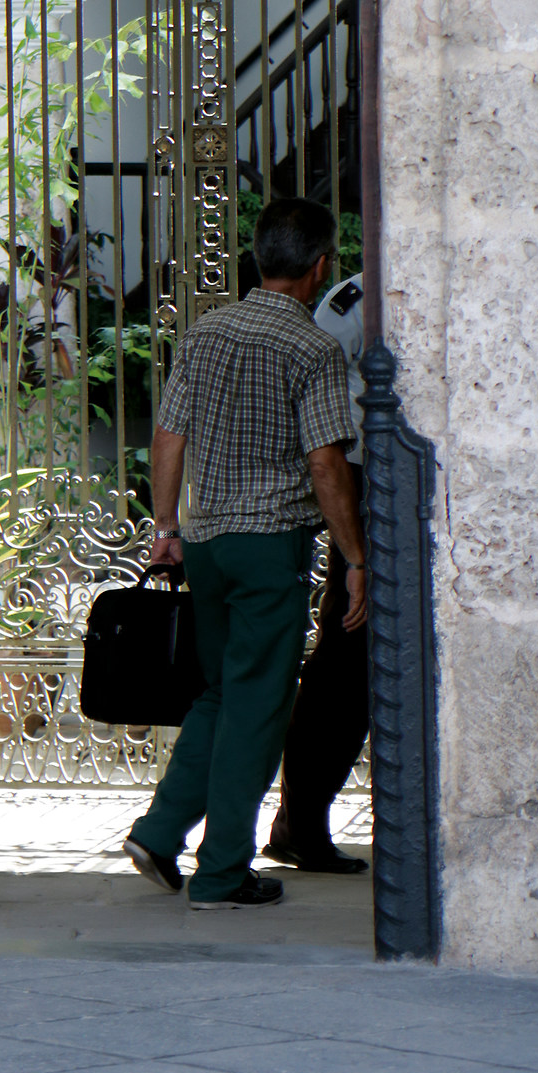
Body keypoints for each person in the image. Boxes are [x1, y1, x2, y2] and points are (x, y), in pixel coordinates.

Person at [122, 198, 366, 909]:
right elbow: (325, 462)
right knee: (259, 707)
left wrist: (164, 526)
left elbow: (168, 436)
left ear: (259, 258)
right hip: (268, 548)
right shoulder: (310, 348)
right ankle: (222, 871)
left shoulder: (204, 334)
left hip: (204, 543)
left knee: (218, 694)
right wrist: (352, 558)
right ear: (319, 267)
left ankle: (160, 829)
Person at [264, 269, 370, 873]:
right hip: (367, 482)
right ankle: (300, 822)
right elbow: (318, 380)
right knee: (347, 656)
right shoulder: (357, 296)